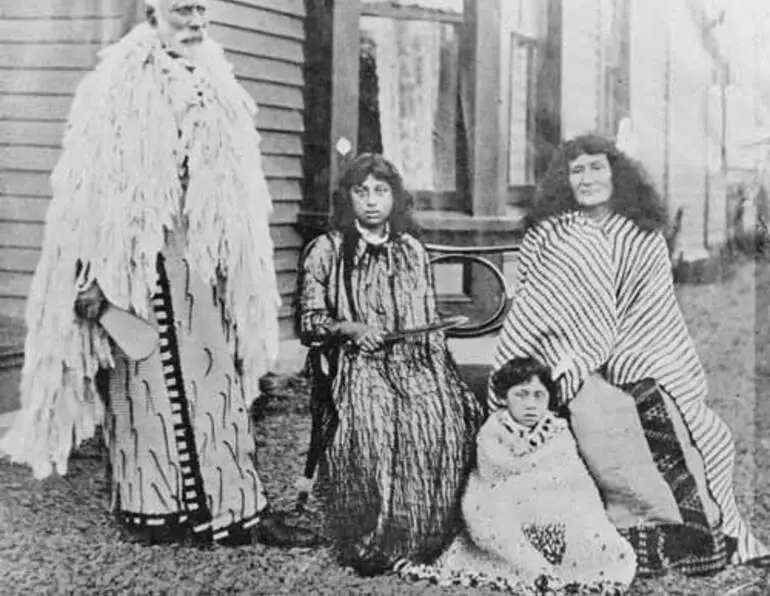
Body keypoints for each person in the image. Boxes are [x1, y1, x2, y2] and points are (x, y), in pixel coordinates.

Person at [0, 0, 299, 546]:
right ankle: (155, 510)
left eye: (202, 11)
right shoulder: (112, 87)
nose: (195, 22)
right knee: (143, 385)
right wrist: (87, 275)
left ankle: (232, 508)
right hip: (135, 265)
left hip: (204, 261)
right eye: (182, 11)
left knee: (216, 385)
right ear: (152, 17)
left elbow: (240, 186)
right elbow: (82, 194)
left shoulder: (221, 85)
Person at [488, 133, 768, 573]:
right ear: (564, 179)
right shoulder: (549, 233)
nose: (587, 178)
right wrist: (576, 358)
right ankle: (630, 537)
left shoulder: (642, 235)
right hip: (565, 355)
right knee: (604, 417)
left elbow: (653, 309)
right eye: (576, 170)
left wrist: (627, 356)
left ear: (616, 173)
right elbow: (538, 305)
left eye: (596, 167)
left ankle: (702, 535)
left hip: (637, 350)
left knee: (693, 422)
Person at [296, 153, 483, 574]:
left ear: (395, 197)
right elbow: (309, 322)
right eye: (362, 192)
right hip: (353, 363)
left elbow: (425, 327)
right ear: (348, 198)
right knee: (374, 424)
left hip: (411, 360)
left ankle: (424, 535)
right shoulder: (326, 251)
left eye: (381, 191)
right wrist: (351, 328)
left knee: (442, 418)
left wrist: (439, 377)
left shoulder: (411, 251)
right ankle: (371, 539)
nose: (372, 201)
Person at [397, 358, 636, 594]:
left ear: (549, 400)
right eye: (521, 395)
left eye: (538, 395)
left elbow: (572, 480)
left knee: (599, 539)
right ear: (503, 398)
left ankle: (567, 564)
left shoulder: (558, 433)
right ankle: (528, 565)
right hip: (507, 505)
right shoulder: (492, 432)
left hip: (557, 508)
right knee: (489, 515)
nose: (530, 404)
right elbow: (491, 476)